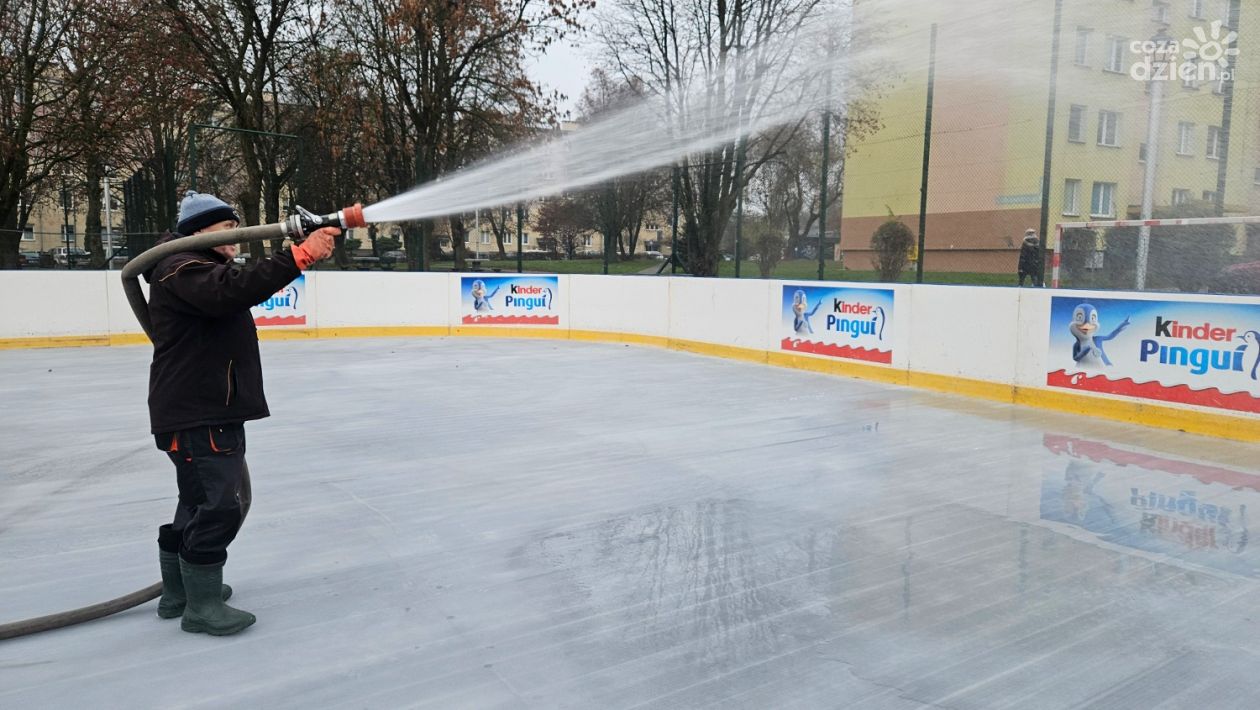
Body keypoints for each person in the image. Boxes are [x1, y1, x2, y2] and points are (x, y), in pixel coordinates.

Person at [143, 191, 336, 636]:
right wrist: (300, 256)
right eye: (227, 229)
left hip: (199, 410)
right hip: (200, 413)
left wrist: (298, 249)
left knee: (196, 500)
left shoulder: (191, 267)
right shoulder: (182, 267)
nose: (236, 236)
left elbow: (237, 282)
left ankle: (180, 593)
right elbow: (232, 291)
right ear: (199, 232)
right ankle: (202, 605)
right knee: (221, 506)